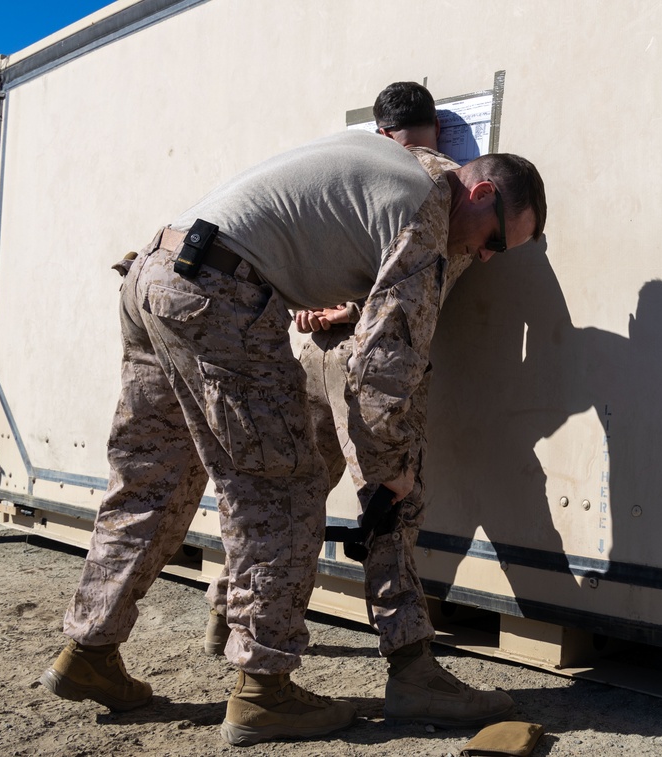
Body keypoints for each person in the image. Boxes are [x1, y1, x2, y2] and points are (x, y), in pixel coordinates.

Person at [38, 127, 547, 748]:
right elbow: (385, 365)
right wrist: (391, 469)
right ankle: (264, 692)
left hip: (156, 273)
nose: (488, 257)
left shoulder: (405, 166)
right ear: (481, 191)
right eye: (496, 240)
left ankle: (89, 648)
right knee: (282, 491)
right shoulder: (426, 212)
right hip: (220, 298)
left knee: (151, 479)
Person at [203, 81, 491, 729]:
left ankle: (229, 609)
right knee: (389, 501)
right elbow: (419, 284)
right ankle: (410, 658)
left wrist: (326, 301)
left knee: (283, 493)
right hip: (374, 362)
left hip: (314, 352)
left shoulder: (349, 166)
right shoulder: (446, 184)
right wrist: (353, 305)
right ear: (435, 132)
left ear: (382, 132)